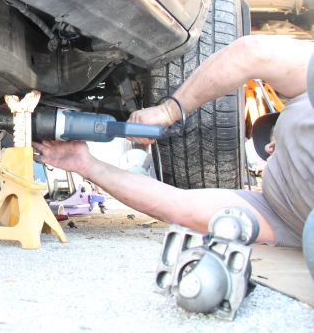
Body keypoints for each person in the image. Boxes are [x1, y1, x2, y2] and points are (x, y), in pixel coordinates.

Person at [33, 35, 314, 247]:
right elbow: (178, 206)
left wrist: (86, 165)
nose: (267, 147)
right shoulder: (284, 217)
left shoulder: (284, 216)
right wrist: (87, 164)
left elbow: (179, 206)